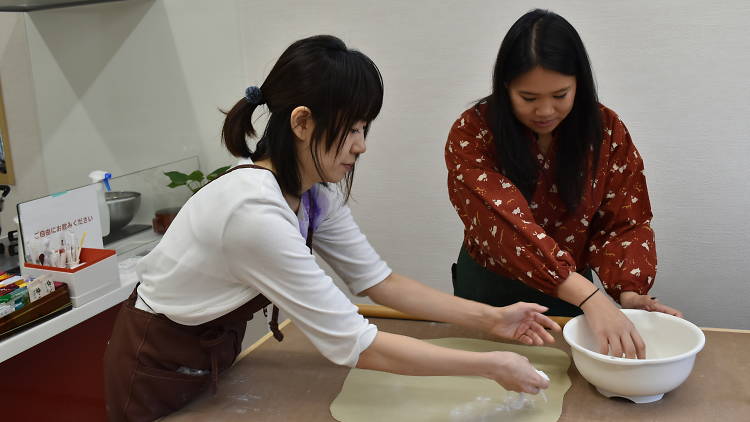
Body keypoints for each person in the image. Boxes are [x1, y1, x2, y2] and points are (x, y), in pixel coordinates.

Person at [104, 35, 560, 421]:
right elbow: (355, 344)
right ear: (302, 122)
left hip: (209, 356)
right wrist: (489, 365)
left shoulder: (313, 192)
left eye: (366, 128)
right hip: (154, 367)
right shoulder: (252, 213)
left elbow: (378, 282)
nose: (361, 146)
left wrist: (492, 318)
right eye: (353, 128)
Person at [445, 10, 683, 361]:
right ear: (505, 87)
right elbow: (507, 227)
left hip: (574, 291)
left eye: (560, 94)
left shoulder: (606, 130)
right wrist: (592, 298)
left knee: (565, 387)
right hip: (492, 288)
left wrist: (628, 292)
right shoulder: (473, 133)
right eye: (528, 98)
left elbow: (624, 221)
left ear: (579, 84)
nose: (545, 110)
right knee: (484, 381)